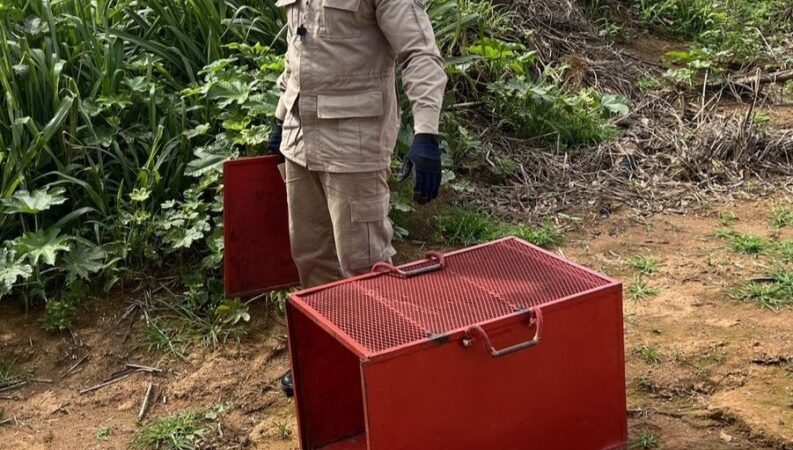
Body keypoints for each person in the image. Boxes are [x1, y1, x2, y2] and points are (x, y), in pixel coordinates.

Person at [267, 0, 447, 396]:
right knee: (312, 260)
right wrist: (280, 119)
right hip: (300, 142)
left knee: (365, 267)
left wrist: (426, 133)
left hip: (354, 146)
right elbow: (297, 52)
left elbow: (419, 53)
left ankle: (383, 376)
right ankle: (330, 361)